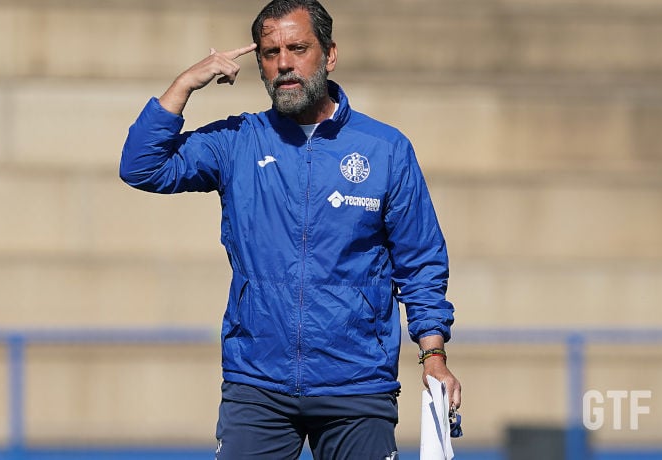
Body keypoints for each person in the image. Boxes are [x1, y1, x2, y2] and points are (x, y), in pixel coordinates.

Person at [120, 0, 461, 458]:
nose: (284, 64)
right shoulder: (237, 140)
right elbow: (142, 166)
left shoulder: (385, 148)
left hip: (356, 384)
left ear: (330, 54)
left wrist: (433, 358)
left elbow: (419, 263)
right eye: (269, 52)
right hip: (257, 384)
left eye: (298, 48)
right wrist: (185, 85)